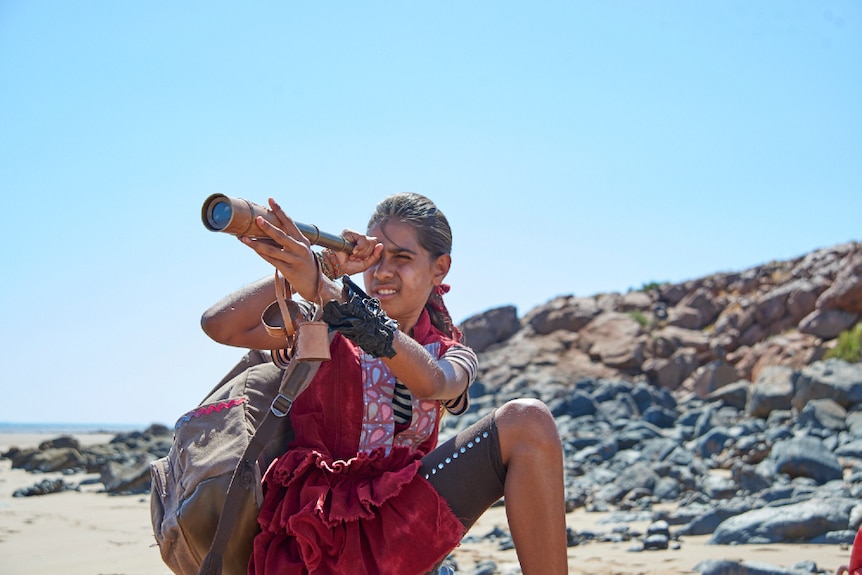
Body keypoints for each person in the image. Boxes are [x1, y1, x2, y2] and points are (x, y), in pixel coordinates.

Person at [201, 193, 567, 575]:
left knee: (527, 421)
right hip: (321, 534)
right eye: (377, 259)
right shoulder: (320, 325)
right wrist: (328, 266)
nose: (383, 273)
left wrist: (336, 294)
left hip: (404, 527)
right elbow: (220, 325)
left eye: (402, 258)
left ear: (439, 269)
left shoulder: (449, 352)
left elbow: (433, 381)